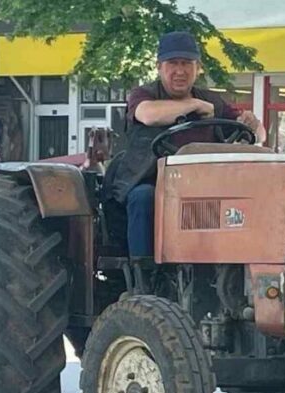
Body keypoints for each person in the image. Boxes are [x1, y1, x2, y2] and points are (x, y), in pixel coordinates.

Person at [106, 31, 263, 258]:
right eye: (173, 63)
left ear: (197, 68)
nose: (180, 71)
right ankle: (144, 275)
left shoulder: (214, 101)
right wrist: (195, 105)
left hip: (204, 184)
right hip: (152, 180)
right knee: (143, 198)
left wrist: (253, 125)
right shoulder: (144, 95)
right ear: (159, 67)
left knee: (241, 202)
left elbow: (255, 133)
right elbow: (148, 114)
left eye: (187, 63)